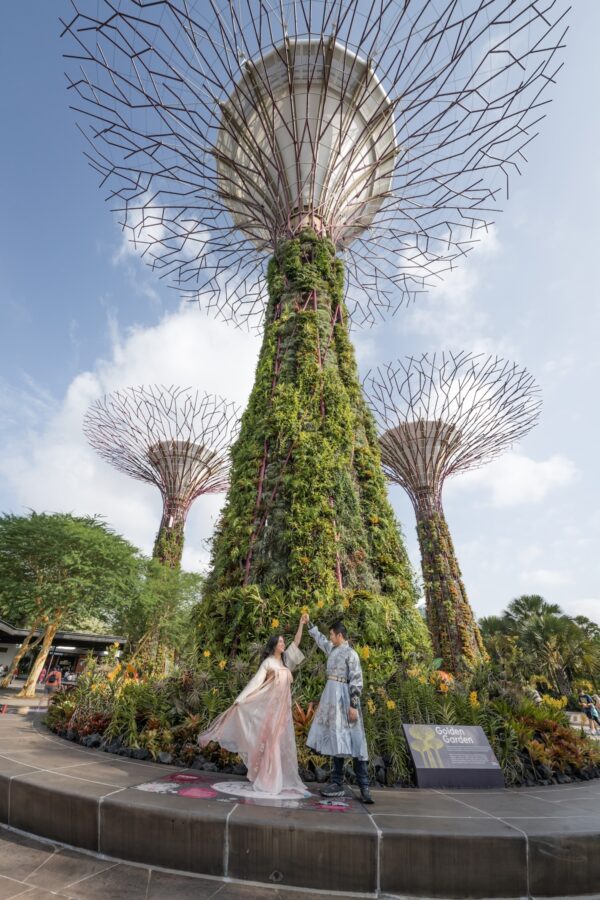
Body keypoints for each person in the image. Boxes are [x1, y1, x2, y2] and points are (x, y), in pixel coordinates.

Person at [199, 617, 309, 797]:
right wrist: (240, 699)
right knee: (271, 742)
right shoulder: (268, 663)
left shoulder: (286, 662)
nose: (283, 643)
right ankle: (269, 779)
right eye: (280, 641)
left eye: (283, 641)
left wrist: (301, 625)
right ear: (274, 645)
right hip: (271, 711)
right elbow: (255, 683)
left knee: (280, 742)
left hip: (283, 712)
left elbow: (296, 642)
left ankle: (277, 778)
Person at [301, 614, 373, 804]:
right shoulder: (332, 649)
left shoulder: (351, 654)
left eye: (332, 634)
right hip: (330, 698)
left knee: (356, 739)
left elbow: (357, 680)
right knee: (336, 738)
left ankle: (364, 786)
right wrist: (309, 624)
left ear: (340, 635)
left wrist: (353, 705)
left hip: (345, 699)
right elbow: (320, 640)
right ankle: (336, 782)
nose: (330, 637)